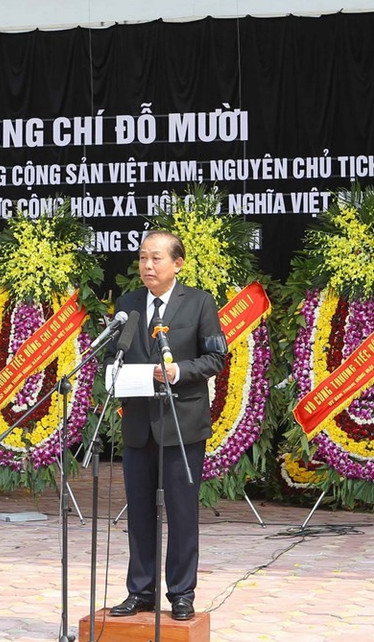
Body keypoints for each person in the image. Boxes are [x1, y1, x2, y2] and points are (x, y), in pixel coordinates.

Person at [108, 230, 227, 621]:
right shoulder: (127, 305)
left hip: (182, 424)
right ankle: (140, 592)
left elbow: (215, 359)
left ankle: (181, 593)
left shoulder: (198, 303)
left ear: (177, 264)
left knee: (181, 513)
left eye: (156, 259)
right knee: (139, 513)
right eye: (143, 258)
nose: (147, 266)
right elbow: (112, 358)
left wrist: (177, 371)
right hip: (139, 426)